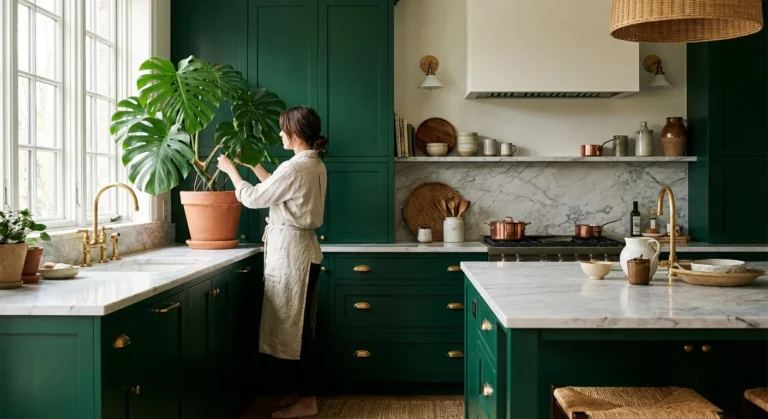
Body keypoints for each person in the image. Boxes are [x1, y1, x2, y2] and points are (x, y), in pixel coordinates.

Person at [217, 106, 327, 419]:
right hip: (301, 252)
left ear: (295, 133)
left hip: (295, 255)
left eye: (283, 130)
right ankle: (297, 394)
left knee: (300, 331)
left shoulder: (296, 167)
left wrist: (231, 172)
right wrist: (255, 166)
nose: (280, 134)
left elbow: (254, 199)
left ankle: (308, 401)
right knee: (299, 327)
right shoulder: (310, 164)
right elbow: (277, 192)